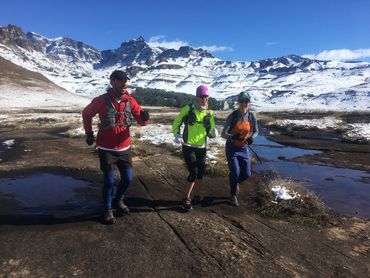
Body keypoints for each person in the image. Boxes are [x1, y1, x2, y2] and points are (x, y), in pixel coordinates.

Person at [82, 70, 149, 224]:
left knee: (127, 179)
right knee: (110, 181)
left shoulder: (130, 100)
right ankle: (107, 209)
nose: (125, 83)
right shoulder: (101, 100)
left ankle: (118, 201)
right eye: (120, 80)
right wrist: (89, 133)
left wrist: (145, 119)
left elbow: (141, 120)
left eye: (126, 80)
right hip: (107, 150)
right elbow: (86, 113)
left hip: (125, 149)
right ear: (112, 82)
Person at [172, 85, 217, 211]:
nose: (204, 99)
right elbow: (177, 121)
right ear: (196, 97)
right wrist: (176, 134)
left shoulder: (209, 113)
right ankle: (186, 198)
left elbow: (212, 128)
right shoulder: (188, 108)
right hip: (188, 145)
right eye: (201, 96)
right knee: (193, 172)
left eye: (206, 96)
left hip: (202, 146)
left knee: (200, 174)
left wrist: (213, 132)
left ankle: (196, 195)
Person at [221, 91, 258, 206]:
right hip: (231, 148)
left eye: (246, 101)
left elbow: (256, 131)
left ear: (249, 102)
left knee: (246, 174)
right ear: (238, 102)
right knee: (235, 171)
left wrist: (251, 138)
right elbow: (223, 133)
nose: (244, 103)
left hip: (243, 148)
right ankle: (233, 195)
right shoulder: (233, 116)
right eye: (242, 101)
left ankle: (234, 182)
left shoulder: (251, 116)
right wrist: (233, 136)